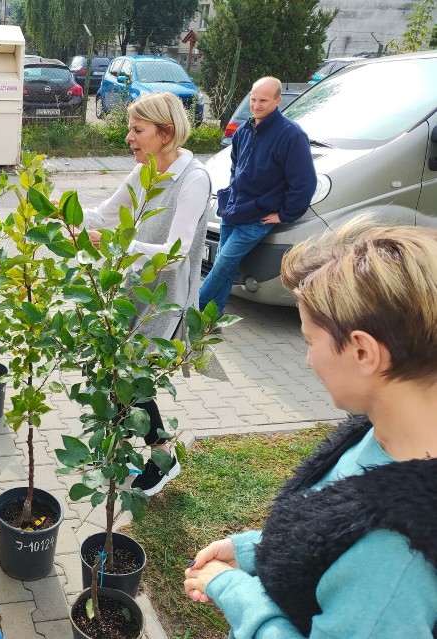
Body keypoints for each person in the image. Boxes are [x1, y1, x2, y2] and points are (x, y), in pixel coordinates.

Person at [184, 220, 437, 638]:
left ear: (362, 351)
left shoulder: (395, 557)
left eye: (308, 340)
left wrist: (232, 589)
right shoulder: (377, 432)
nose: (307, 361)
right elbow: (330, 535)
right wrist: (253, 549)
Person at [75, 91, 211, 497]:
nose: (129, 137)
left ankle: (163, 456)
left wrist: (117, 244)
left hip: (165, 302)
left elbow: (177, 253)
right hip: (132, 290)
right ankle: (121, 452)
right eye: (130, 129)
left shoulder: (194, 178)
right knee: (120, 376)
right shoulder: (144, 172)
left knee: (134, 382)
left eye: (137, 130)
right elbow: (104, 214)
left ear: (165, 133)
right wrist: (59, 209)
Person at [199, 76, 317, 314]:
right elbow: (235, 168)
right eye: (253, 99)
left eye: (263, 100)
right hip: (233, 211)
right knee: (226, 267)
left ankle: (191, 312)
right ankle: (211, 321)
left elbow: (305, 182)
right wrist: (230, 195)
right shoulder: (244, 130)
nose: (256, 105)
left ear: (277, 101)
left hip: (257, 218)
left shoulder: (291, 135)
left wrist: (285, 214)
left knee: (222, 264)